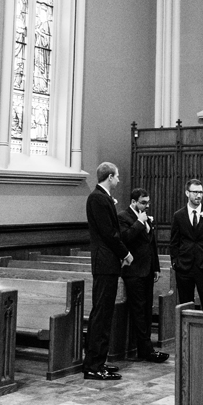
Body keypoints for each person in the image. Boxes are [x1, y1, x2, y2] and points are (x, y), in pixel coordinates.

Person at [83, 161, 145, 380]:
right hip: (105, 262)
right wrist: (125, 254)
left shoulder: (103, 198)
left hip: (108, 262)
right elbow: (110, 234)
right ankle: (93, 366)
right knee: (101, 313)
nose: (119, 180)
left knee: (104, 313)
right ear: (109, 177)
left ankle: (98, 361)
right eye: (117, 176)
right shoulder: (98, 198)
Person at [119, 189, 168, 363]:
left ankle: (144, 348)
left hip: (147, 270)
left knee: (147, 309)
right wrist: (139, 222)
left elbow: (151, 244)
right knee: (139, 311)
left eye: (147, 202)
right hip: (133, 271)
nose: (146, 206)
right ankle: (147, 350)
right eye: (143, 202)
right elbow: (125, 239)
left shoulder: (145, 217)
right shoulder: (124, 216)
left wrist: (156, 267)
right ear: (133, 202)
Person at [170, 179, 203, 312]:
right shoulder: (179, 215)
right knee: (185, 306)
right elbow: (174, 242)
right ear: (187, 193)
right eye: (195, 192)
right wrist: (175, 262)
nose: (198, 196)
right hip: (184, 267)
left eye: (201, 192)